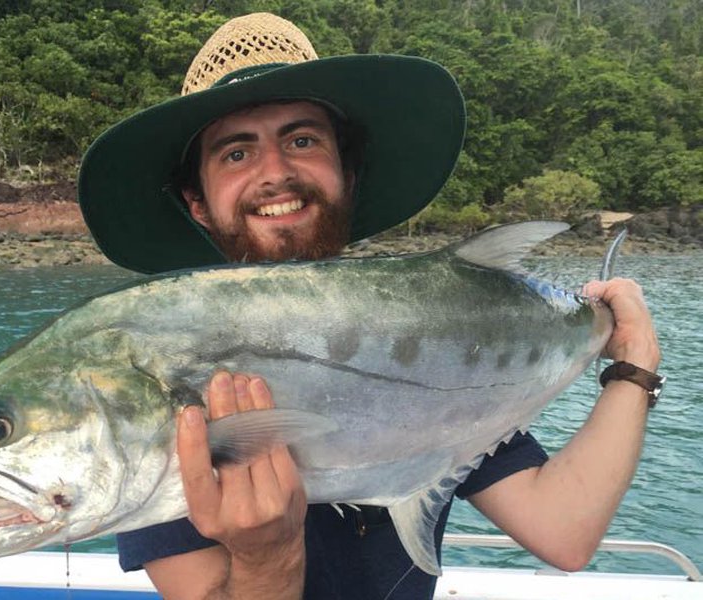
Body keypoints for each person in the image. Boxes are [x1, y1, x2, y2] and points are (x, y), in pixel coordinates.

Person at [77, 13, 662, 600]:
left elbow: (564, 530)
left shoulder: (427, 331)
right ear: (197, 203)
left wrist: (633, 369)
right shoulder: (159, 368)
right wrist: (268, 556)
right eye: (236, 153)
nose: (275, 173)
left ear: (346, 174)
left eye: (302, 140)